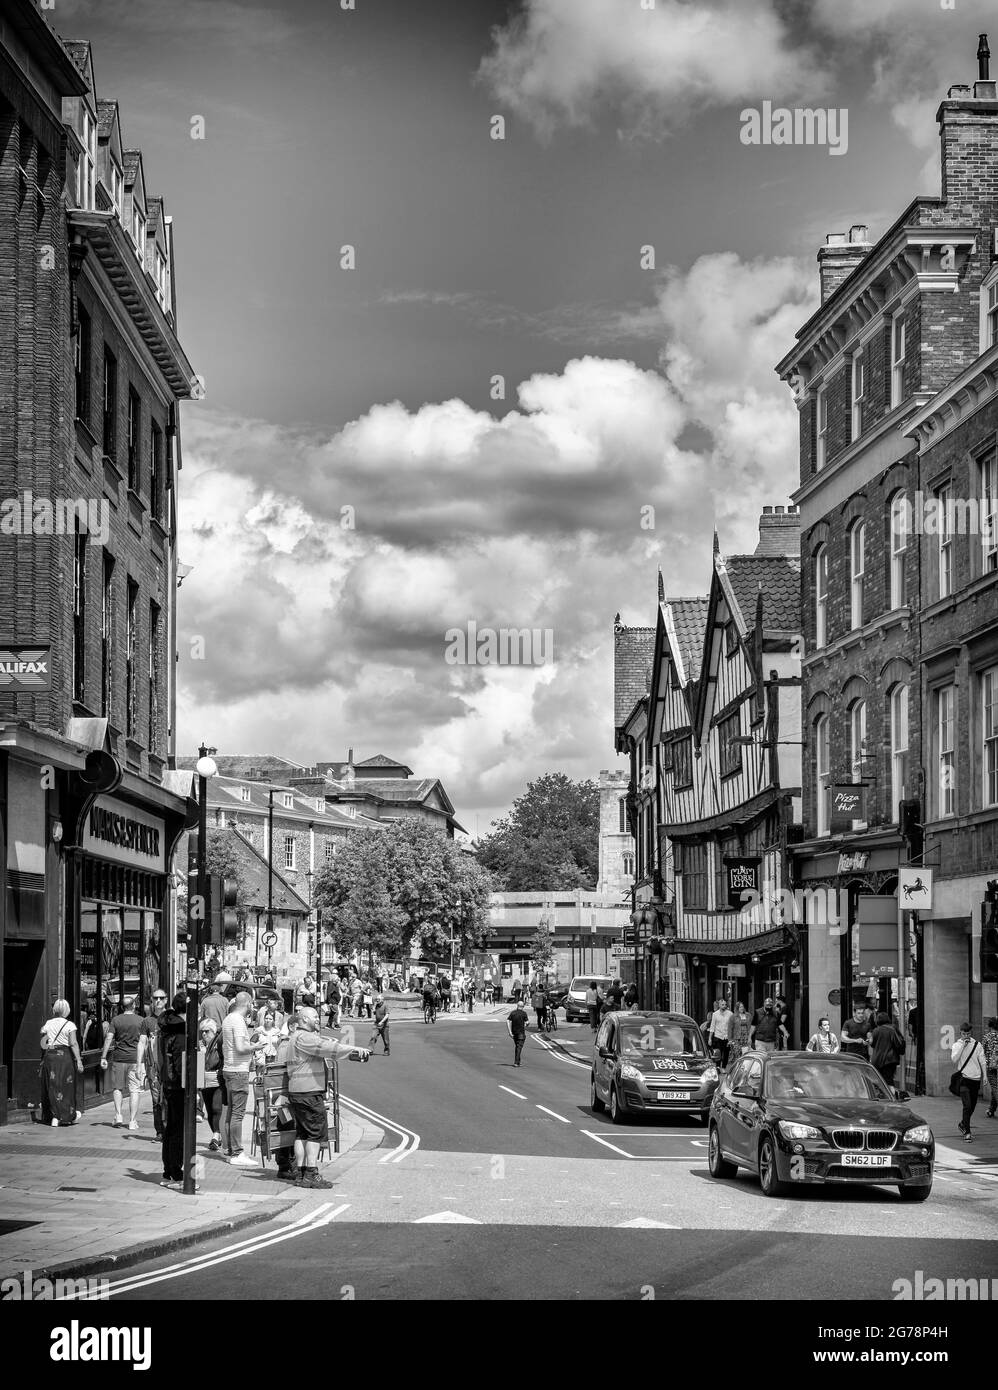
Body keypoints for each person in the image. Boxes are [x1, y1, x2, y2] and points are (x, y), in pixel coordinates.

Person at [286, 1005, 369, 1188]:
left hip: (297, 1091)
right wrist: (353, 1048)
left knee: (302, 1134)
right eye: (315, 1016)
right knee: (315, 1134)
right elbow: (330, 1048)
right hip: (309, 1092)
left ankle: (300, 1174)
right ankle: (311, 1174)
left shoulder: (294, 1038)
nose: (318, 1019)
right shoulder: (305, 1037)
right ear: (304, 1019)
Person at [221, 991, 262, 1166]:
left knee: (231, 1112)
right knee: (238, 1113)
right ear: (249, 1004)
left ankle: (231, 1150)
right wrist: (255, 1047)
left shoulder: (228, 1018)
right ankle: (237, 1153)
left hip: (229, 1070)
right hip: (238, 1071)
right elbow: (239, 1047)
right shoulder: (238, 1021)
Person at [157, 991, 188, 1188]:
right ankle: (176, 1171)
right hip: (178, 1085)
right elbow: (180, 1063)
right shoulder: (179, 1033)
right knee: (177, 1129)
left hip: (168, 1083)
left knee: (170, 1128)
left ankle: (169, 1169)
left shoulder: (167, 1027)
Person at [99, 995, 144, 1130]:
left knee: (117, 1088)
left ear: (122, 1007)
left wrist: (103, 1056)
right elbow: (144, 1042)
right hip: (135, 1059)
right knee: (134, 1090)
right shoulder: (141, 1021)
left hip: (118, 1058)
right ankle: (132, 1121)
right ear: (134, 1005)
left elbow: (109, 1038)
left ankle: (118, 1115)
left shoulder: (116, 1020)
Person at [39, 1000, 83, 1127]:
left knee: (52, 1085)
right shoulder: (70, 1025)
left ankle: (53, 1116)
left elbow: (43, 1042)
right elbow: (73, 1043)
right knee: (66, 1086)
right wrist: (79, 1060)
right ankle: (67, 1115)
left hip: (50, 1056)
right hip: (65, 1057)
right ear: (67, 1010)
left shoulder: (48, 1023)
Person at [952, 1021, 987, 1142]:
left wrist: (985, 1076)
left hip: (975, 1079)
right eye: (963, 1034)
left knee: (972, 1107)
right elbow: (954, 1059)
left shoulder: (977, 1044)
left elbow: (982, 1061)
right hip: (964, 1079)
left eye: (968, 1034)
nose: (966, 1036)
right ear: (960, 1033)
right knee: (967, 1106)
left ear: (970, 1033)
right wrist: (963, 1046)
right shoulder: (957, 1045)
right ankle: (967, 1132)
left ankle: (963, 1124)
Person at [140, 989, 168, 1139]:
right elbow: (142, 1043)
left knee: (169, 1099)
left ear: (166, 999)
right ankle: (159, 1131)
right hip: (153, 1067)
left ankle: (169, 1129)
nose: (158, 1001)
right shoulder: (147, 1021)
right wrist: (139, 1064)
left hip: (169, 1066)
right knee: (156, 1100)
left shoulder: (171, 1018)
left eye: (161, 998)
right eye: (155, 998)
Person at [199, 1017, 225, 1151]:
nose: (204, 1034)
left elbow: (217, 1061)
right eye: (202, 1031)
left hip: (217, 1081)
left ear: (213, 1032)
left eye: (207, 1031)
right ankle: (217, 1136)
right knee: (209, 1110)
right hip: (205, 1081)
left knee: (216, 1107)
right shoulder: (200, 1045)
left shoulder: (218, 1042)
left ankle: (216, 1136)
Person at [869, 1011, 906, 1088]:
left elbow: (872, 1044)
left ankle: (882, 1097)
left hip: (878, 1059)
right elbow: (900, 1041)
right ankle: (891, 1097)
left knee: (879, 1081)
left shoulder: (876, 1030)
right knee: (889, 1081)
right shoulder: (893, 1028)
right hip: (891, 1060)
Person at [705, 998, 735, 1067]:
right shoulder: (715, 1014)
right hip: (718, 1036)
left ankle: (724, 1067)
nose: (724, 1006)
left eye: (725, 1004)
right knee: (718, 1053)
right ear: (719, 1005)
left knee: (726, 1053)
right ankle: (718, 1067)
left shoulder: (730, 1014)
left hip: (727, 1036)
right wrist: (710, 1038)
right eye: (722, 1004)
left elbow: (733, 1026)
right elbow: (712, 1026)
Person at [983, 1016, 998, 1119]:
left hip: (990, 1067)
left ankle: (991, 1109)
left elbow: (982, 1053)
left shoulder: (986, 1037)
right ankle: (991, 1110)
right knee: (995, 1088)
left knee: (995, 1087)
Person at [507, 1001, 528, 1067]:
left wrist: (510, 1032)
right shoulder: (524, 1013)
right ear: (523, 1006)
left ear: (517, 1005)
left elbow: (508, 1020)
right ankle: (516, 1062)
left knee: (517, 1047)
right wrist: (527, 1024)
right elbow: (527, 1022)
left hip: (514, 1033)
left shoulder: (513, 1013)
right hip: (521, 1033)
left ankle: (518, 1062)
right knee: (519, 1047)